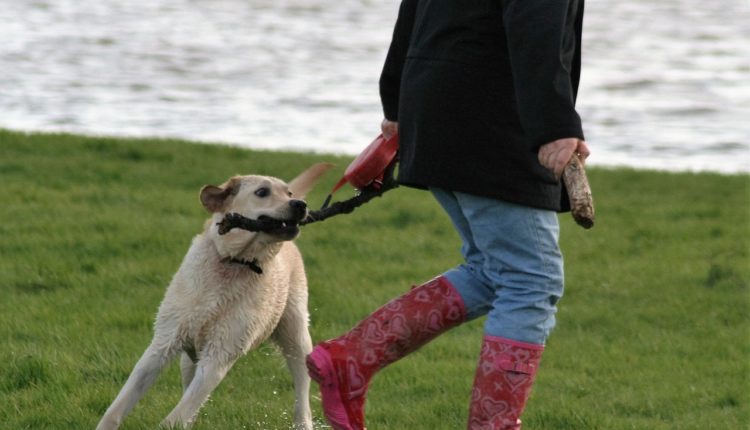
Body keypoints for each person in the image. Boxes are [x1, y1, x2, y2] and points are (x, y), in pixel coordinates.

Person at [306, 1, 590, 429]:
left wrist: (397, 102)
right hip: (490, 113)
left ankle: (351, 358)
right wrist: (554, 123)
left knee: (494, 270)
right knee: (531, 279)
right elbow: (535, 19)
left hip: (435, 102)